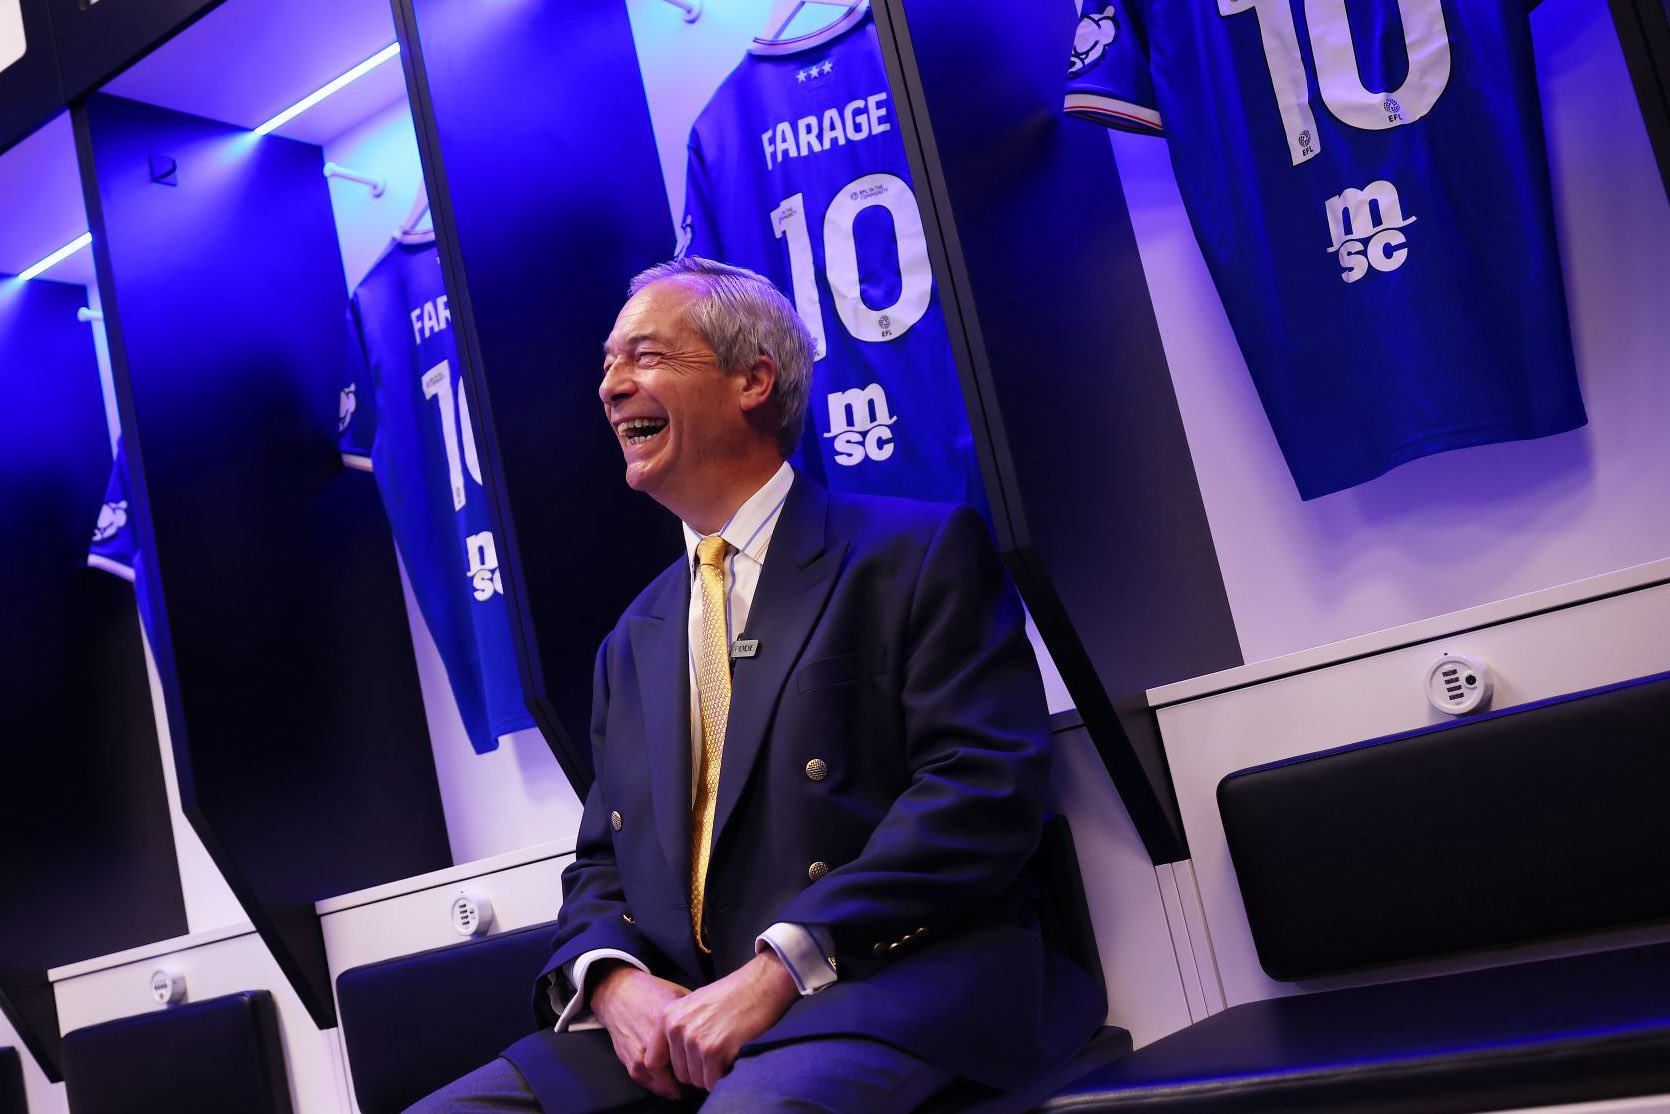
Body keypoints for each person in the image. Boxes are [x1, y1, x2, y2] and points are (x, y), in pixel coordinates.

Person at [408, 257, 1102, 1113]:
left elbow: (980, 792)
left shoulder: (915, 556)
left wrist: (783, 962)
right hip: (683, 1014)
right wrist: (615, 982)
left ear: (752, 379)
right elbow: (601, 865)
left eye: (646, 357)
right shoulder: (630, 640)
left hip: (883, 982)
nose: (612, 387)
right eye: (607, 364)